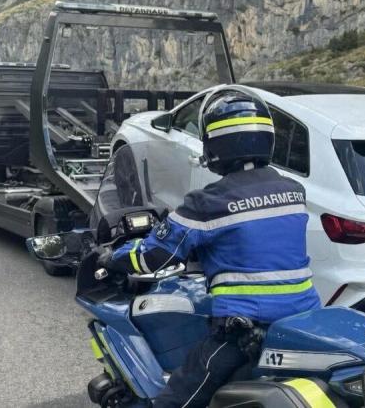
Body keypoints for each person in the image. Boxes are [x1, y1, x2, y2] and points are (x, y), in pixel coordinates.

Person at [105, 86, 321, 408]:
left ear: (216, 144)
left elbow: (154, 256)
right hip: (301, 320)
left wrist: (113, 257)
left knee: (178, 395)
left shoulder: (209, 203)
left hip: (244, 332)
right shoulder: (293, 191)